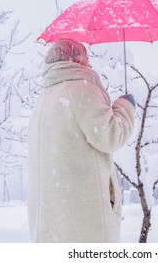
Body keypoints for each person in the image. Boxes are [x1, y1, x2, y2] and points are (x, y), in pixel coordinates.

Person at [27, 39, 136, 242]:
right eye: (87, 57)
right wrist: (126, 107)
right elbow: (111, 135)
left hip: (52, 218)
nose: (89, 64)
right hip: (82, 220)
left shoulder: (45, 97)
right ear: (76, 60)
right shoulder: (81, 89)